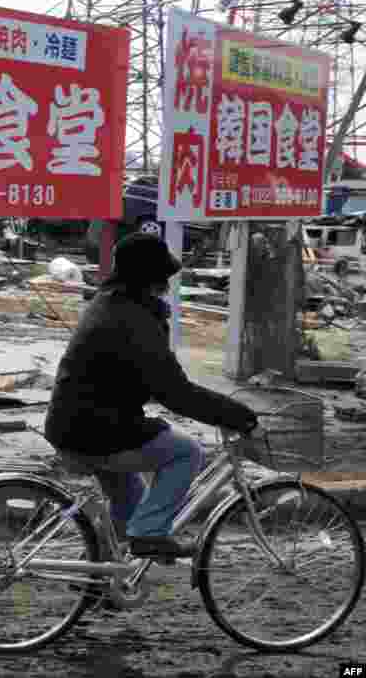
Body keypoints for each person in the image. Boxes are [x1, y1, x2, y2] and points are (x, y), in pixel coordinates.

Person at [44, 232, 258, 559]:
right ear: (147, 280)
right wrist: (239, 416)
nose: (167, 287)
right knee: (187, 452)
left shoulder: (111, 303)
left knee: (130, 504)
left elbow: (154, 383)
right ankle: (150, 535)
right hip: (96, 430)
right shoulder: (134, 321)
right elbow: (176, 393)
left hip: (78, 423)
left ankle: (99, 580)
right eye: (162, 280)